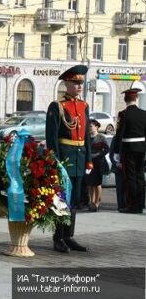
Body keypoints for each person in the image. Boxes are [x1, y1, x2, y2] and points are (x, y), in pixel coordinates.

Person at [46, 65, 92, 253]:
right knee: (62, 200)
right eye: (75, 82)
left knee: (74, 201)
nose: (79, 85)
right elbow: (52, 136)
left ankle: (68, 235)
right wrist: (55, 162)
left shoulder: (84, 106)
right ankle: (58, 238)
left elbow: (87, 136)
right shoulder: (57, 106)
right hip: (65, 158)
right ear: (66, 83)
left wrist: (88, 159)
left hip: (80, 157)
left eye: (81, 82)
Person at [114, 88, 146, 214]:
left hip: (128, 149)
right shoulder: (144, 114)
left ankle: (132, 205)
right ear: (136, 98)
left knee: (130, 177)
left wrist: (117, 151)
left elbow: (119, 134)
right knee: (140, 176)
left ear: (125, 99)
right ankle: (140, 203)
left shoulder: (123, 114)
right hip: (142, 149)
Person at [85, 119, 109, 212]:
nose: (89, 128)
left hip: (98, 163)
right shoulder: (87, 137)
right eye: (89, 126)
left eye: (91, 126)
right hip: (89, 163)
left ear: (96, 127)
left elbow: (107, 149)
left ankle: (97, 203)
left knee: (97, 183)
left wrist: (99, 154)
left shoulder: (101, 137)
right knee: (90, 184)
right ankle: (91, 202)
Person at [109, 135, 126, 211]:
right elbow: (111, 154)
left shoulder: (128, 136)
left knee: (127, 187)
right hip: (118, 167)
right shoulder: (115, 138)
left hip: (128, 167)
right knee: (119, 188)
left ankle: (126, 205)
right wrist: (116, 163)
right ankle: (120, 206)